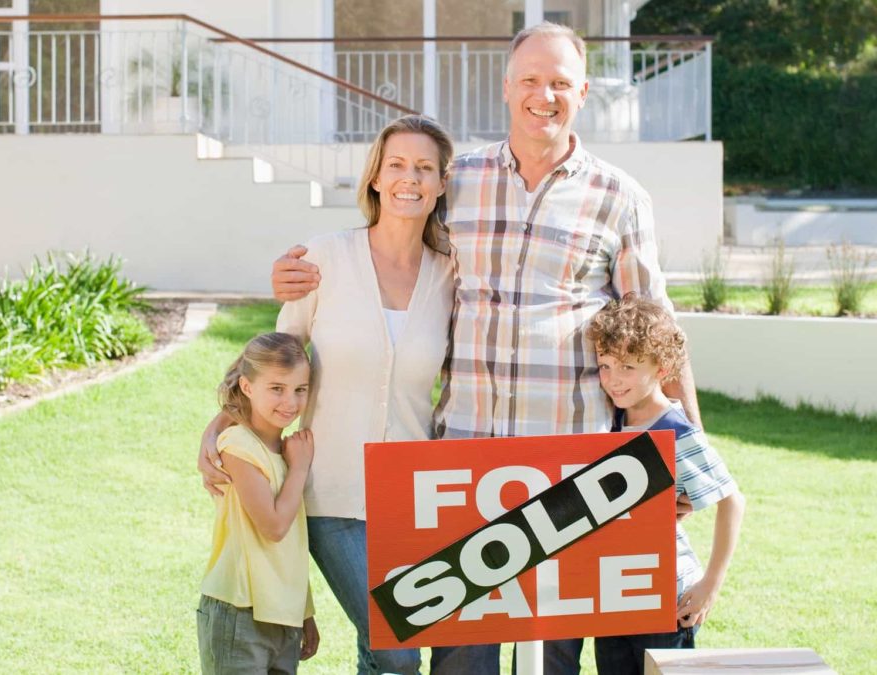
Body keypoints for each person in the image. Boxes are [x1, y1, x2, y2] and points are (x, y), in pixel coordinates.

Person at [266, 22, 701, 674]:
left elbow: (659, 334)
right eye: (530, 80)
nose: (543, 96)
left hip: (569, 472)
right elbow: (390, 244)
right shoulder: (459, 181)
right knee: (460, 660)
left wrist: (689, 452)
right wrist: (300, 273)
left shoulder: (619, 198)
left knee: (550, 658)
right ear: (506, 86)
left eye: (560, 83)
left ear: (583, 92)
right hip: (462, 473)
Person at [200, 115, 456, 674]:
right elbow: (274, 362)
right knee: (398, 647)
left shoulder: (452, 276)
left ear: (441, 183)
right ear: (375, 178)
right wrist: (220, 425)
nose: (409, 178)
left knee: (381, 649)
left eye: (424, 167)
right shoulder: (323, 259)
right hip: (329, 493)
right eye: (396, 164)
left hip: (413, 498)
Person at [588, 295, 745, 675]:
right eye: (605, 365)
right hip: (615, 596)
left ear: (661, 368)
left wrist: (710, 584)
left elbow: (732, 501)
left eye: (627, 366)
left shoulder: (674, 430)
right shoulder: (609, 423)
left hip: (666, 598)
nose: (613, 379)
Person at [198, 332, 320, 674]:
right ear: (247, 387)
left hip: (282, 614)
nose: (290, 402)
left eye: (300, 389)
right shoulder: (237, 446)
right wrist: (300, 468)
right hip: (239, 612)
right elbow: (274, 527)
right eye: (276, 388)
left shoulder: (286, 453)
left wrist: (304, 612)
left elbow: (290, 546)